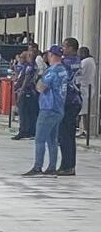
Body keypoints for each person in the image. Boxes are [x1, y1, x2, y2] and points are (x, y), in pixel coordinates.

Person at [22, 45, 67, 177]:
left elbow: (41, 87)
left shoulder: (52, 71)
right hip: (59, 108)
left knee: (40, 139)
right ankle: (52, 166)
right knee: (52, 139)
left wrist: (38, 81)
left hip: (48, 107)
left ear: (51, 56)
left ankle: (37, 167)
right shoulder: (63, 70)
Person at [57, 37, 82, 176]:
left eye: (65, 46)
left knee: (64, 135)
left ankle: (67, 165)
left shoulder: (65, 63)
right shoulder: (77, 61)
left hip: (68, 101)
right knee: (69, 135)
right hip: (76, 100)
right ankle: (69, 164)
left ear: (71, 48)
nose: (63, 49)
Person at [78, 46, 96, 138]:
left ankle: (85, 130)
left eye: (80, 53)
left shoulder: (85, 62)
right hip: (88, 87)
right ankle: (84, 130)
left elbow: (80, 73)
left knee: (83, 111)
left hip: (85, 87)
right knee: (84, 111)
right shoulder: (91, 61)